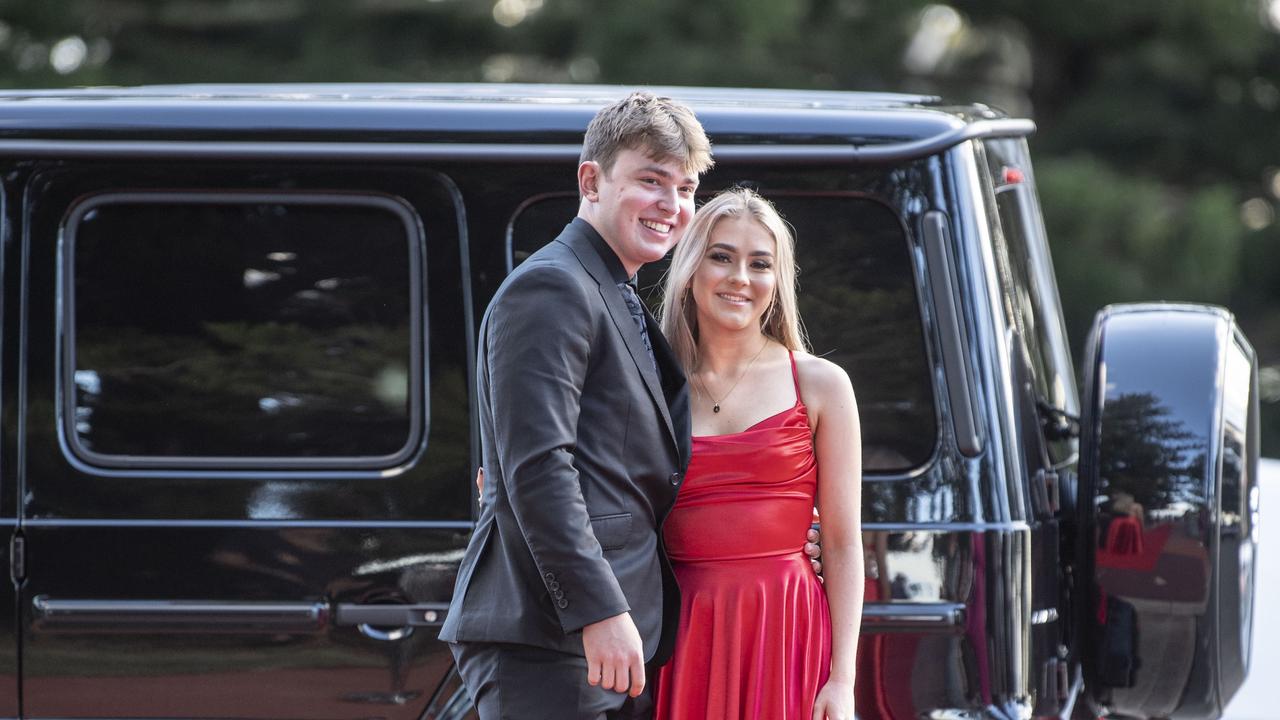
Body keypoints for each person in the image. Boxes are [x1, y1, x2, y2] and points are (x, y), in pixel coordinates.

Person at [438, 92, 712, 720]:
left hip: (602, 641)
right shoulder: (552, 286)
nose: (671, 205)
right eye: (651, 180)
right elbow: (536, 468)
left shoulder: (609, 286)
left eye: (686, 188)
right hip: (552, 641)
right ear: (592, 180)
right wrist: (600, 611)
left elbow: (631, 474)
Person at [653, 188, 865, 720]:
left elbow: (841, 543)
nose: (739, 278)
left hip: (787, 626)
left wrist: (843, 680)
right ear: (691, 266)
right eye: (721, 256)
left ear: (778, 280)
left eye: (760, 264)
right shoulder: (649, 383)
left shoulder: (820, 384)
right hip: (682, 629)